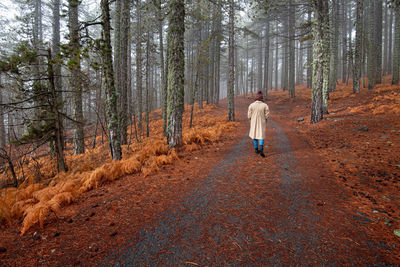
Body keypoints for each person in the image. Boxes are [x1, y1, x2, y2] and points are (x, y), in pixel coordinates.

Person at [248, 90, 270, 157]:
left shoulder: (251, 105)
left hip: (253, 122)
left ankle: (256, 149)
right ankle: (261, 148)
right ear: (261, 98)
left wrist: (251, 121)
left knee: (254, 135)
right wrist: (265, 120)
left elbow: (249, 115)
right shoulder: (265, 105)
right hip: (262, 122)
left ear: (256, 97)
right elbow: (267, 115)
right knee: (261, 135)